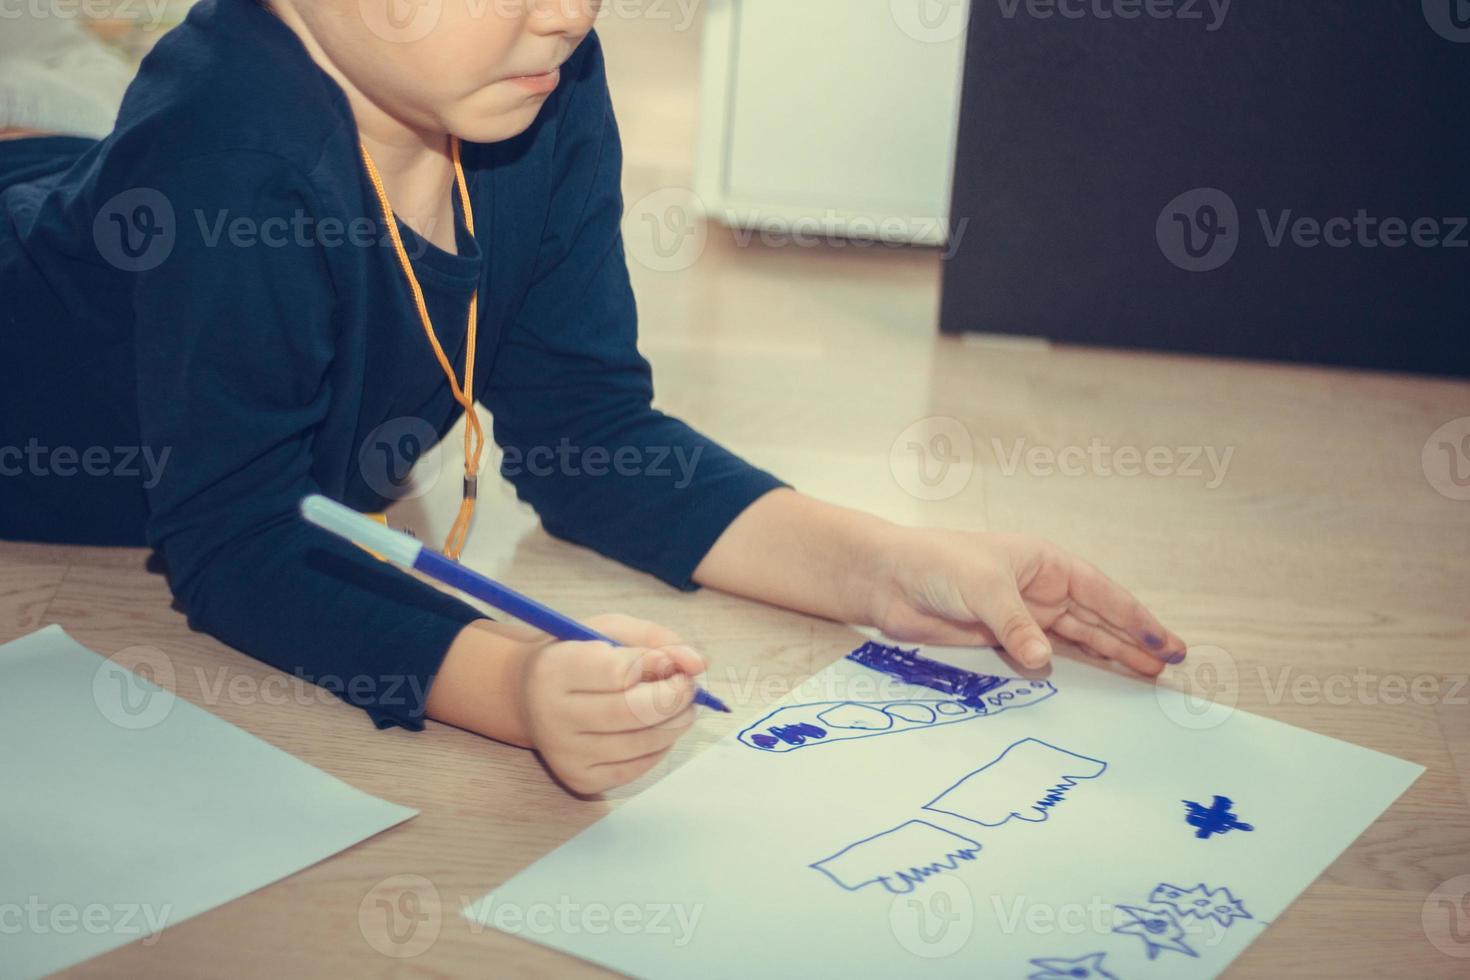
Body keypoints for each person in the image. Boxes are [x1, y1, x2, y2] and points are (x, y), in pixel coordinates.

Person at [0, 2, 1186, 794]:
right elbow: (235, 541)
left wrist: (890, 565)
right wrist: (511, 684)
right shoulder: (226, 151)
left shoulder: (536, 74)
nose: (569, 7)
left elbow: (592, 438)